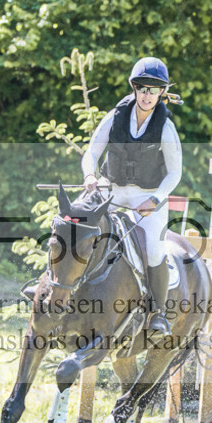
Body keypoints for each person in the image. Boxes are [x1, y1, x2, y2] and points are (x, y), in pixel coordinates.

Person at [82, 56, 182, 336]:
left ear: (162, 92)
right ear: (134, 88)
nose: (147, 95)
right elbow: (92, 152)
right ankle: (55, 288)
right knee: (77, 223)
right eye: (142, 88)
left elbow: (175, 173)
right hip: (110, 190)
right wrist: (90, 176)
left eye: (153, 90)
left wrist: (156, 199)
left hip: (146, 198)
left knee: (153, 249)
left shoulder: (165, 128)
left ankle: (158, 313)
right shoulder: (115, 117)